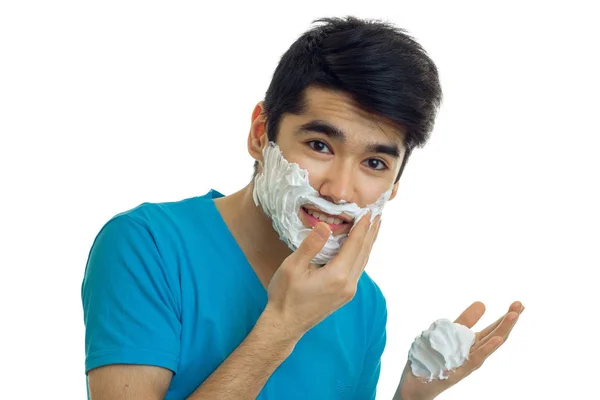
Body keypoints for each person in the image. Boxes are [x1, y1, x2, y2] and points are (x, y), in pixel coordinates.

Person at [81, 16, 524, 400]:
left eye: (374, 163)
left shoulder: (364, 302)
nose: (339, 189)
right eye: (319, 145)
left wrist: (411, 394)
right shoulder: (146, 245)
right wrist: (284, 326)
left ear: (396, 183)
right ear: (260, 134)